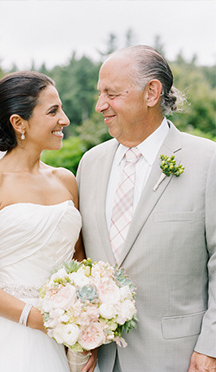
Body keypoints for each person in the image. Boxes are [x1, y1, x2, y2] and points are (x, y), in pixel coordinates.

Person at [0, 71, 97, 371]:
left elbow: (79, 258)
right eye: (53, 111)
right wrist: (39, 319)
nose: (64, 120)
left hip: (68, 329)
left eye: (61, 109)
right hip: (10, 329)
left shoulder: (66, 180)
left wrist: (85, 326)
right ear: (18, 122)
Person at [77, 45, 216, 372]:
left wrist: (211, 346)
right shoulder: (90, 163)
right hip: (102, 358)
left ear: (152, 92)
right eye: (99, 94)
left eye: (111, 94)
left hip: (180, 357)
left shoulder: (208, 161)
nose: (100, 106)